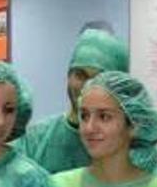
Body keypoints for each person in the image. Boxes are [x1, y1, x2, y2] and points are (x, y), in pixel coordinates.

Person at [18, 28, 129, 174]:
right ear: (68, 76)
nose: (86, 86)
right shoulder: (36, 141)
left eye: (98, 79)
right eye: (80, 75)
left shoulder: (128, 145)